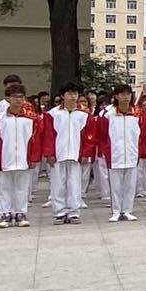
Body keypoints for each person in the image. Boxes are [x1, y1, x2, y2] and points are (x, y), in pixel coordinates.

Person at [42, 82, 95, 224]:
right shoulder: (52, 114)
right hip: (58, 154)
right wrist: (49, 153)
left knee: (75, 184)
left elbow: (89, 136)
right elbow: (48, 135)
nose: (73, 96)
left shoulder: (85, 114)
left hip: (76, 154)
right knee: (58, 184)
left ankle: (74, 212)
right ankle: (59, 212)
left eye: (75, 93)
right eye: (69, 93)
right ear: (62, 96)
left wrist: (86, 153)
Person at [0, 85, 40, 227]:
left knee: (22, 187)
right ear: (8, 98)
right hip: (5, 157)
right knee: (4, 187)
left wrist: (33, 157)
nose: (18, 100)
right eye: (15, 97)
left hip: (23, 157)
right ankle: (5, 213)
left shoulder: (31, 118)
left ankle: (21, 213)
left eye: (21, 97)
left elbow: (35, 140)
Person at [98, 84, 143, 221]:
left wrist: (139, 150)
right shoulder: (108, 115)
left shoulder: (137, 114)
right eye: (122, 94)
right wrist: (106, 151)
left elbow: (143, 134)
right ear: (116, 96)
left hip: (132, 153)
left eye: (128, 94)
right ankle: (116, 211)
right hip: (115, 154)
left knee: (130, 185)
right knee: (115, 185)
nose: (126, 97)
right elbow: (102, 135)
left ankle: (127, 210)